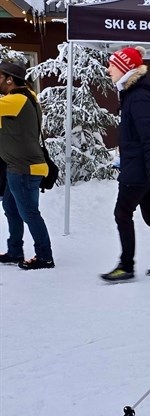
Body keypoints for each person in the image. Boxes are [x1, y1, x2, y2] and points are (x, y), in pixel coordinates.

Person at [101, 46, 150, 282]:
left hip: (138, 170)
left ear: (125, 69)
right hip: (140, 167)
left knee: (122, 213)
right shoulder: (132, 94)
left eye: (112, 66)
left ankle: (126, 266)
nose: (108, 70)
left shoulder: (138, 97)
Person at [0, 61, 54, 270]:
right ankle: (15, 251)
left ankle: (45, 257)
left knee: (29, 213)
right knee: (11, 208)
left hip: (25, 169)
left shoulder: (17, 99)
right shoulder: (21, 100)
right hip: (17, 167)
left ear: (9, 80)